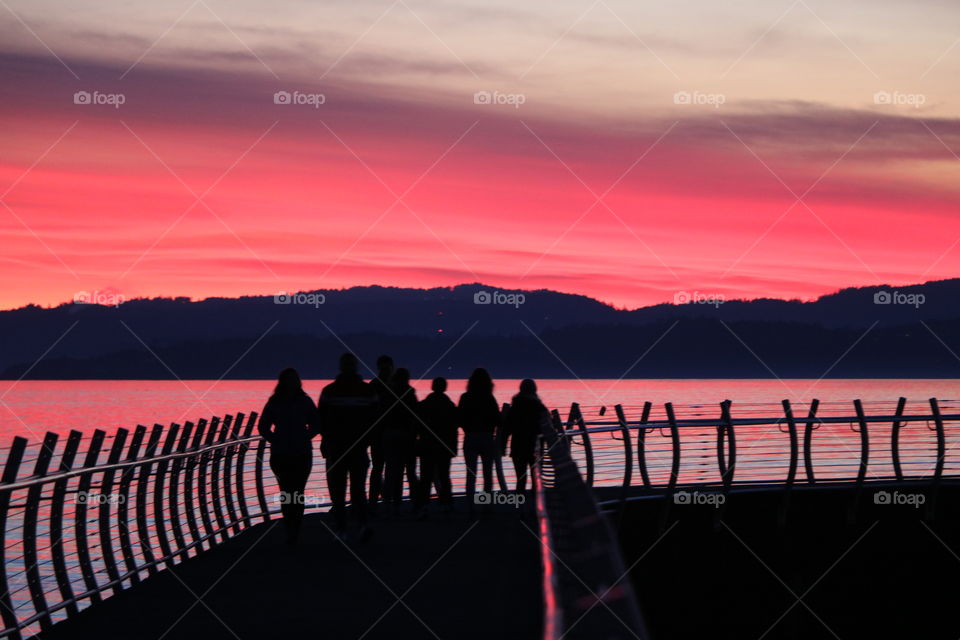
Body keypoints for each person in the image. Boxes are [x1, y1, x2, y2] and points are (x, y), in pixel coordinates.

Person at [318, 352, 378, 540]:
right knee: (357, 489)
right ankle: (361, 525)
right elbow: (376, 418)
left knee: (339, 490)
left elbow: (321, 419)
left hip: (338, 447)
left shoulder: (329, 391)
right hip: (357, 447)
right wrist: (369, 439)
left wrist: (325, 440)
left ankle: (343, 528)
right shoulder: (367, 391)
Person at [257, 368, 320, 544]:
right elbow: (263, 426)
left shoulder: (299, 401)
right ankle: (291, 528)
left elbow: (316, 424)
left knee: (295, 491)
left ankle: (294, 528)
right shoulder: (284, 402)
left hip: (296, 453)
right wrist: (277, 439)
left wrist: (301, 437)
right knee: (288, 492)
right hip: (285, 454)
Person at [458, 368, 501, 510]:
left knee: (471, 475)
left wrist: (467, 429)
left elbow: (460, 418)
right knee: (487, 475)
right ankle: (486, 506)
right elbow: (497, 419)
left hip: (470, 437)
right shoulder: (489, 398)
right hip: (487, 438)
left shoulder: (465, 397)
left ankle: (471, 507)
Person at [417, 377, 459, 513]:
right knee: (444, 476)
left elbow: (418, 426)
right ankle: (447, 504)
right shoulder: (450, 406)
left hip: (427, 446)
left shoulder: (423, 405)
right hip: (444, 446)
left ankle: (424, 505)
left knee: (426, 477)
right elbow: (454, 427)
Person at [381, 368, 419, 510]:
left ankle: (389, 503)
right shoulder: (410, 393)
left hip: (390, 434)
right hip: (407, 436)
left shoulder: (388, 394)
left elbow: (382, 415)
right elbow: (415, 416)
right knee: (410, 471)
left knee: (392, 471)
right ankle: (415, 503)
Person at [500, 379, 546, 493]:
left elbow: (506, 428)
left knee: (520, 479)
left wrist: (502, 447)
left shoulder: (515, 407)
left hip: (518, 447)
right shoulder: (538, 406)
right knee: (537, 480)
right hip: (535, 447)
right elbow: (547, 426)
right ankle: (536, 507)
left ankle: (520, 507)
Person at [367, 355, 395, 509]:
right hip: (381, 433)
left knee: (379, 469)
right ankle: (382, 499)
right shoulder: (395, 386)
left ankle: (378, 499)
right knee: (383, 468)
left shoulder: (373, 385)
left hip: (380, 433)